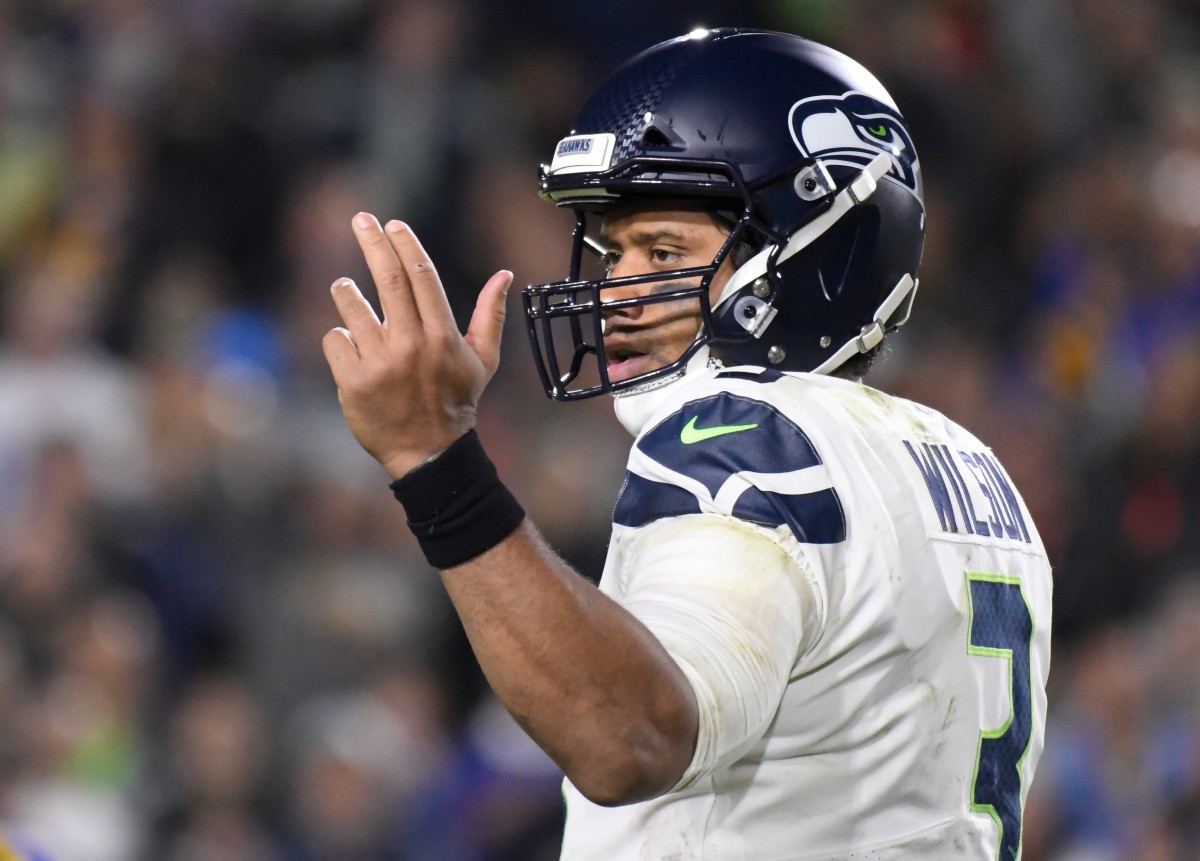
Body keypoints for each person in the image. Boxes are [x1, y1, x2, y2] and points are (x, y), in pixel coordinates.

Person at [323, 28, 1052, 861]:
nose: (616, 295)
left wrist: (437, 461)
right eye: (615, 251)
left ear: (816, 248)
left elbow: (627, 735)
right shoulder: (973, 466)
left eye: (664, 251)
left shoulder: (747, 435)